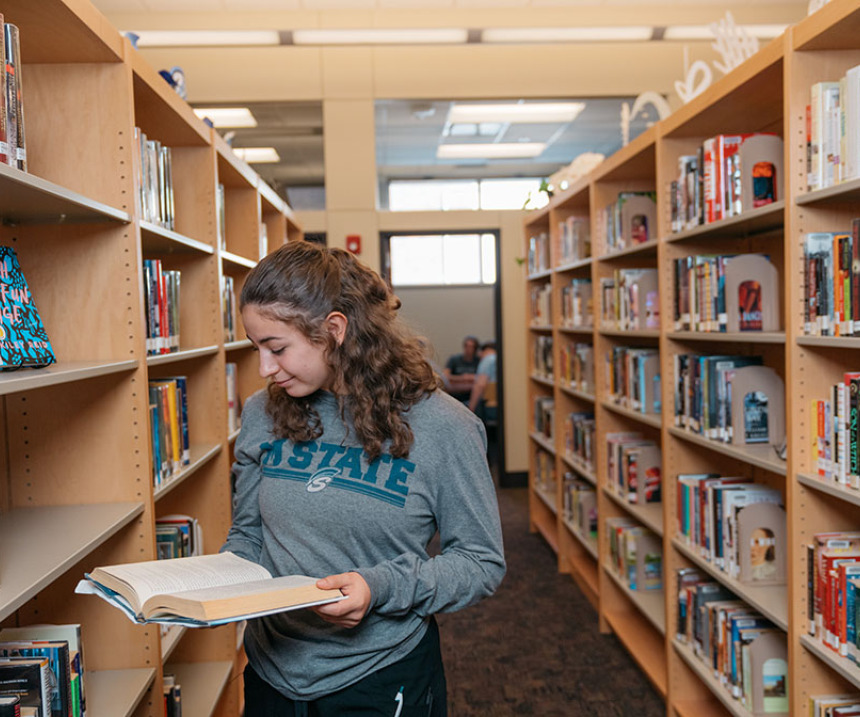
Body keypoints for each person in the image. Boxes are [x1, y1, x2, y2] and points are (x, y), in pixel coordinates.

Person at [222, 240, 506, 715]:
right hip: (271, 672)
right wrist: (214, 588)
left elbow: (481, 562)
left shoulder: (443, 428)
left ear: (334, 330)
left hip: (378, 676)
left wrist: (380, 588)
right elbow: (248, 534)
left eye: (277, 348)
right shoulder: (261, 413)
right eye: (256, 347)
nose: (263, 369)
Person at [442, 335, 480, 403]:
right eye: (466, 346)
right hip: (455, 395)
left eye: (471, 347)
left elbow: (481, 379)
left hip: (472, 396)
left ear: (475, 348)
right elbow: (445, 376)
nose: (468, 349)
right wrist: (463, 378)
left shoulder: (479, 360)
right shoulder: (454, 359)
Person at [468, 341, 497, 423]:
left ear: (481, 352)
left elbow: (480, 385)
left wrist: (471, 409)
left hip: (490, 407)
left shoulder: (487, 360)